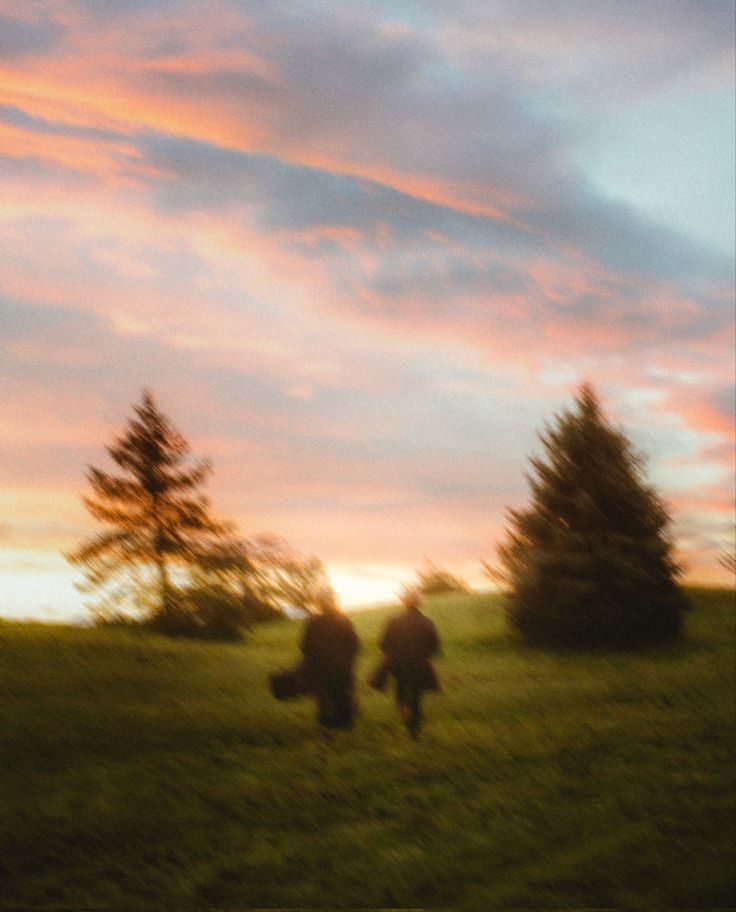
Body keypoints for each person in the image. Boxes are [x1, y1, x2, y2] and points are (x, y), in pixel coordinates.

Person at [374, 587, 440, 739]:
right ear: (419, 602)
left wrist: (392, 654)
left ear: (403, 602)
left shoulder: (393, 621)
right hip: (420, 664)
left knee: (401, 691)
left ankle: (405, 711)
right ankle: (414, 729)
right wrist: (424, 655)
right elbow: (435, 646)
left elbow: (383, 644)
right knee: (416, 695)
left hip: (398, 664)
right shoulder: (427, 622)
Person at [300, 589, 360, 730]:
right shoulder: (344, 621)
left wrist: (310, 661)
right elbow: (354, 645)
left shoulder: (312, 622)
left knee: (324, 695)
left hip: (320, 666)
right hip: (342, 667)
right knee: (342, 694)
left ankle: (327, 723)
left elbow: (305, 646)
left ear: (319, 603)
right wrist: (348, 661)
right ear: (334, 602)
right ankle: (344, 723)